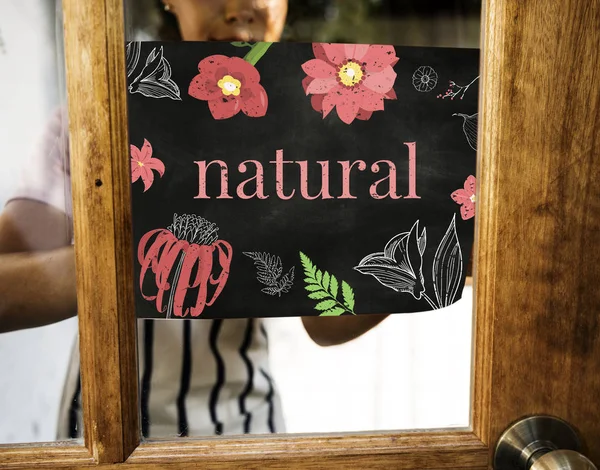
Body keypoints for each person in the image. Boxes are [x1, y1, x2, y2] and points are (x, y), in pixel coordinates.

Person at [0, 0, 388, 439]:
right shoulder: (98, 119)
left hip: (246, 436)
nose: (242, 7)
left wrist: (424, 231)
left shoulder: (309, 133)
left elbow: (325, 324)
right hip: (105, 434)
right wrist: (139, 259)